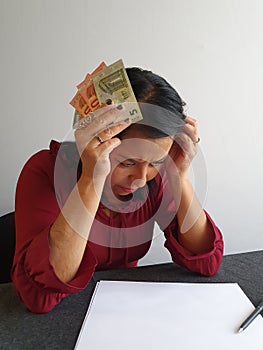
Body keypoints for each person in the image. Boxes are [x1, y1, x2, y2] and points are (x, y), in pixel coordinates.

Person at [12, 67, 224, 313]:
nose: (141, 179)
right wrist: (92, 176)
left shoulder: (157, 177)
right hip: (63, 320)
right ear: (99, 140)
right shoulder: (44, 172)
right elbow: (38, 297)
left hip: (126, 312)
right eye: (127, 162)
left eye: (156, 162)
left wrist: (179, 174)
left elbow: (207, 261)